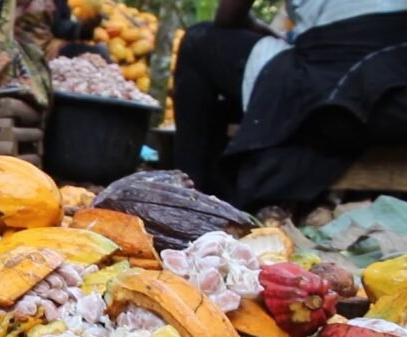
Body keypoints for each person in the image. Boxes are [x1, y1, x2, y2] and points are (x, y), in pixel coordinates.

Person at [173, 0, 407, 210]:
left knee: (199, 41)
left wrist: (259, 28)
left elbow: (228, 17)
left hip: (330, 97)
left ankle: (184, 202)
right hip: (395, 106)